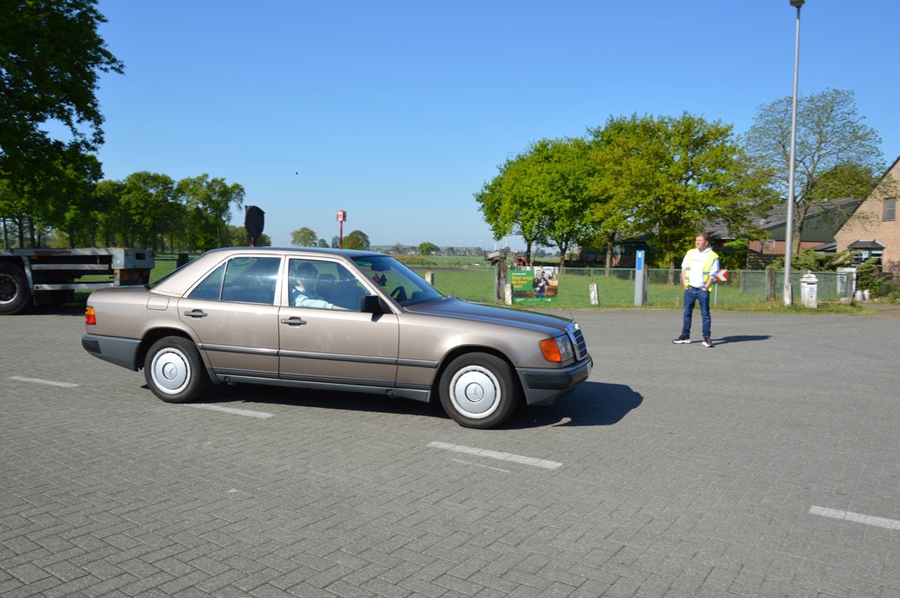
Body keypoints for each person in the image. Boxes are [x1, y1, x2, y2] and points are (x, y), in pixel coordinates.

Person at [673, 232, 720, 347]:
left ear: (706, 242)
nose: (697, 242)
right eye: (696, 240)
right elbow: (684, 269)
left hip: (702, 290)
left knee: (705, 315)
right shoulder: (690, 253)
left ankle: (706, 337)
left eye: (700, 240)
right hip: (690, 289)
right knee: (687, 313)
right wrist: (685, 284)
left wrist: (706, 287)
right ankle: (685, 336)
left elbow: (713, 274)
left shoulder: (712, 256)